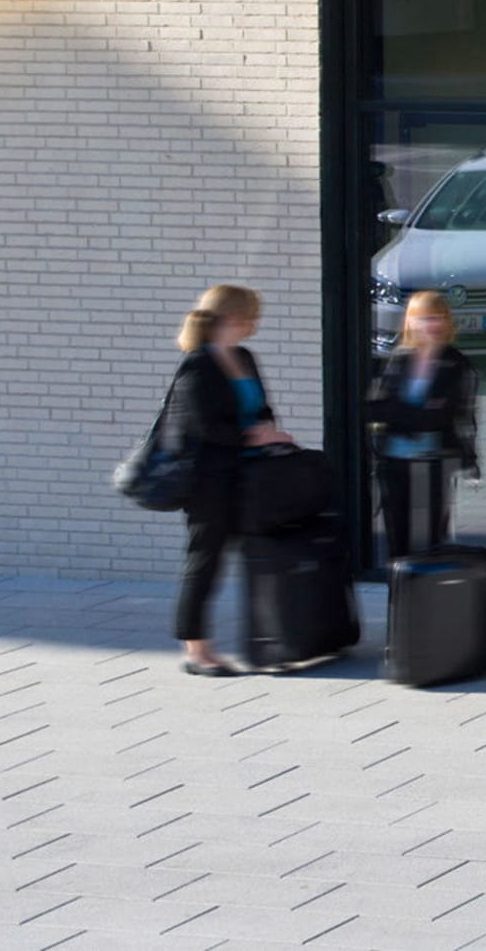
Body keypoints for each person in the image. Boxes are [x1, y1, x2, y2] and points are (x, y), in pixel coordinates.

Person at [167, 283, 292, 677]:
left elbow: (263, 408)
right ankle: (196, 650)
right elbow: (203, 427)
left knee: (263, 555)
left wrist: (268, 428)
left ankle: (274, 639)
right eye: (252, 317)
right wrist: (254, 437)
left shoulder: (244, 358)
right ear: (232, 318)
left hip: (250, 476)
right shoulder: (197, 365)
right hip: (209, 481)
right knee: (205, 560)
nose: (255, 325)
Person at [365, 290, 480, 562]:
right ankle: (400, 588)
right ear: (412, 321)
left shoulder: (456, 363)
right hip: (394, 462)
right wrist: (419, 412)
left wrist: (402, 413)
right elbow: (374, 409)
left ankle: (428, 588)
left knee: (431, 539)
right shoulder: (398, 360)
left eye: (439, 317)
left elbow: (450, 414)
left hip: (435, 462)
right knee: (398, 538)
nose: (433, 324)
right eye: (426, 318)